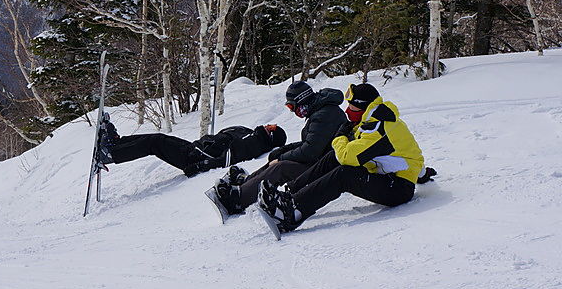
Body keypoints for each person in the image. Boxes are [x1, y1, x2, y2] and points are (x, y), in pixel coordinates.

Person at [257, 83, 426, 234]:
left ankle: (292, 213)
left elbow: (347, 157)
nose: (347, 111)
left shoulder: (378, 129)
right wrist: (421, 173)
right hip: (389, 177)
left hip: (397, 188)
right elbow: (407, 151)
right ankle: (291, 193)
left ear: (363, 107)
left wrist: (339, 136)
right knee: (333, 156)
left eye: (351, 107)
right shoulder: (374, 120)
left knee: (345, 173)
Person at [212, 80, 347, 215]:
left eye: (291, 106)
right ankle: (246, 184)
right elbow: (311, 143)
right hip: (321, 160)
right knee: (277, 160)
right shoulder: (321, 110)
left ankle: (238, 200)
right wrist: (282, 151)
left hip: (325, 167)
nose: (293, 111)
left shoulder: (323, 115)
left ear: (302, 101)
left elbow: (310, 151)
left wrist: (282, 157)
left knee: (280, 167)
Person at [98, 118, 287, 177]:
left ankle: (110, 155)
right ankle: (116, 143)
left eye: (272, 128)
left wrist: (200, 165)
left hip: (195, 158)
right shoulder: (249, 133)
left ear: (271, 136)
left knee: (155, 143)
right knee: (158, 138)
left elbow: (228, 159)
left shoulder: (255, 143)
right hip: (196, 148)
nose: (269, 125)